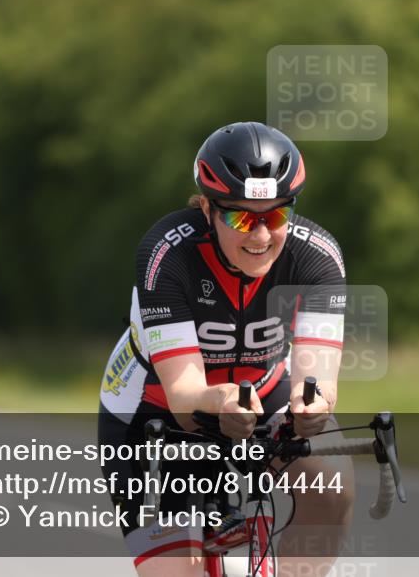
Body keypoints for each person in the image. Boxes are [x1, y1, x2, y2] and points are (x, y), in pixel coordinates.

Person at [97, 122, 353, 577]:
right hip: (152, 406)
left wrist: (311, 404)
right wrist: (222, 401)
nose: (259, 236)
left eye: (274, 217)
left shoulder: (316, 257)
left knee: (333, 488)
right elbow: (184, 395)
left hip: (263, 388)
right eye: (240, 218)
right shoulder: (166, 253)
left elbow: (316, 378)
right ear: (207, 209)